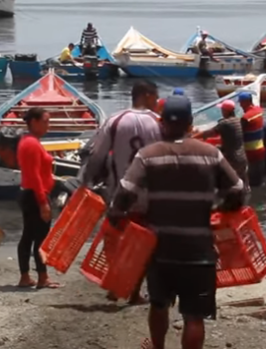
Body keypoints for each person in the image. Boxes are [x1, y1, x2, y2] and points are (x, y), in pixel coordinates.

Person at [107, 95, 244, 349]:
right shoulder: (211, 154)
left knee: (159, 304)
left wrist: (117, 218)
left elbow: (124, 195)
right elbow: (237, 190)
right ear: (190, 123)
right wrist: (222, 208)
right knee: (194, 317)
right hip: (199, 251)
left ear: (162, 124)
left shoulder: (148, 156)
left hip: (160, 250)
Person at [81, 80, 162, 304]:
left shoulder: (114, 121)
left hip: (119, 194)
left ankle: (116, 285)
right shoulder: (158, 123)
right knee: (144, 245)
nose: (156, 102)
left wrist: (84, 183)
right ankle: (133, 291)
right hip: (148, 197)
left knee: (115, 240)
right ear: (146, 96)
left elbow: (96, 156)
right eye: (155, 97)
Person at [16, 107, 61, 289]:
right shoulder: (31, 144)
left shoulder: (28, 141)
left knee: (29, 236)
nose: (48, 126)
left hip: (30, 193)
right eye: (45, 121)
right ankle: (42, 277)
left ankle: (26, 276)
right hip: (36, 194)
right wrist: (43, 203)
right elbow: (34, 176)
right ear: (33, 122)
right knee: (40, 238)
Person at [195, 100, 248, 185]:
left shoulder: (225, 123)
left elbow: (209, 133)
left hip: (232, 160)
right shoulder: (237, 120)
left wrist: (192, 137)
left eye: (222, 109)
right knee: (243, 185)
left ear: (226, 111)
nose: (221, 111)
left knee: (227, 183)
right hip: (242, 158)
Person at [238, 92, 265, 187]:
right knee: (260, 180)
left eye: (241, 102)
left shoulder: (246, 118)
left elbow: (238, 132)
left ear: (245, 102)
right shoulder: (259, 111)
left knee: (251, 182)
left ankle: (253, 199)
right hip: (261, 149)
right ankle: (262, 199)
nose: (240, 105)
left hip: (250, 152)